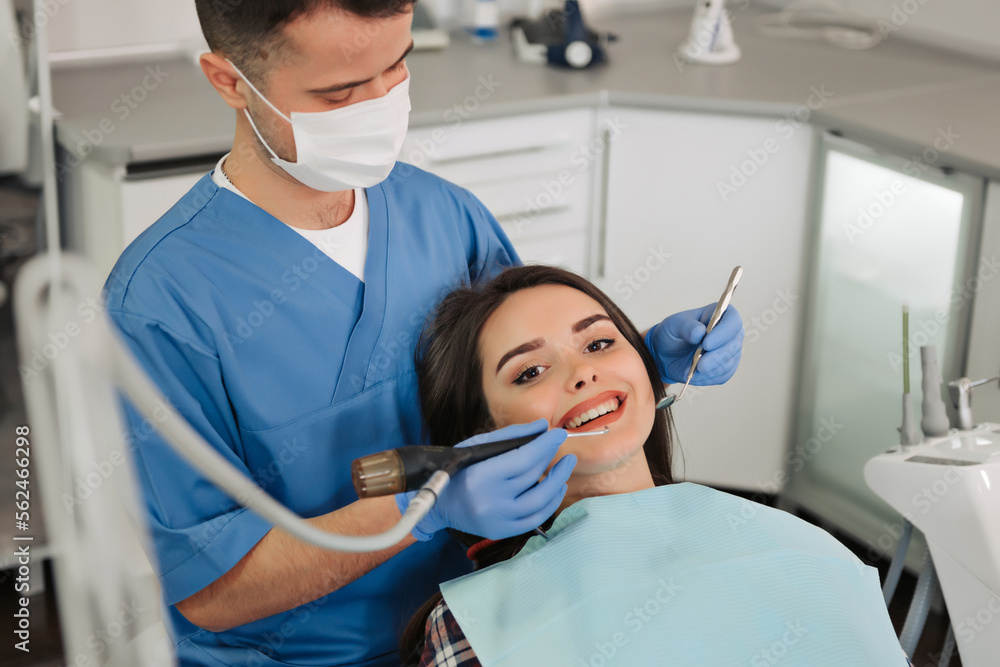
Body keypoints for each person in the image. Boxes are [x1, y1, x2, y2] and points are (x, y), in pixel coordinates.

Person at [102, 1, 745, 665]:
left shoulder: (442, 216)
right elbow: (210, 590)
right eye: (341, 91)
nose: (381, 103)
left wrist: (641, 362)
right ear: (230, 80)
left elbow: (530, 386)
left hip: (482, 616)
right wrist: (422, 510)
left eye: (396, 67)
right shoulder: (162, 305)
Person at [400, 265, 909, 667]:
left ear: (648, 368)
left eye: (599, 343)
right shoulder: (475, 630)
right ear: (484, 438)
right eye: (530, 371)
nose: (584, 373)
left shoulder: (808, 551)